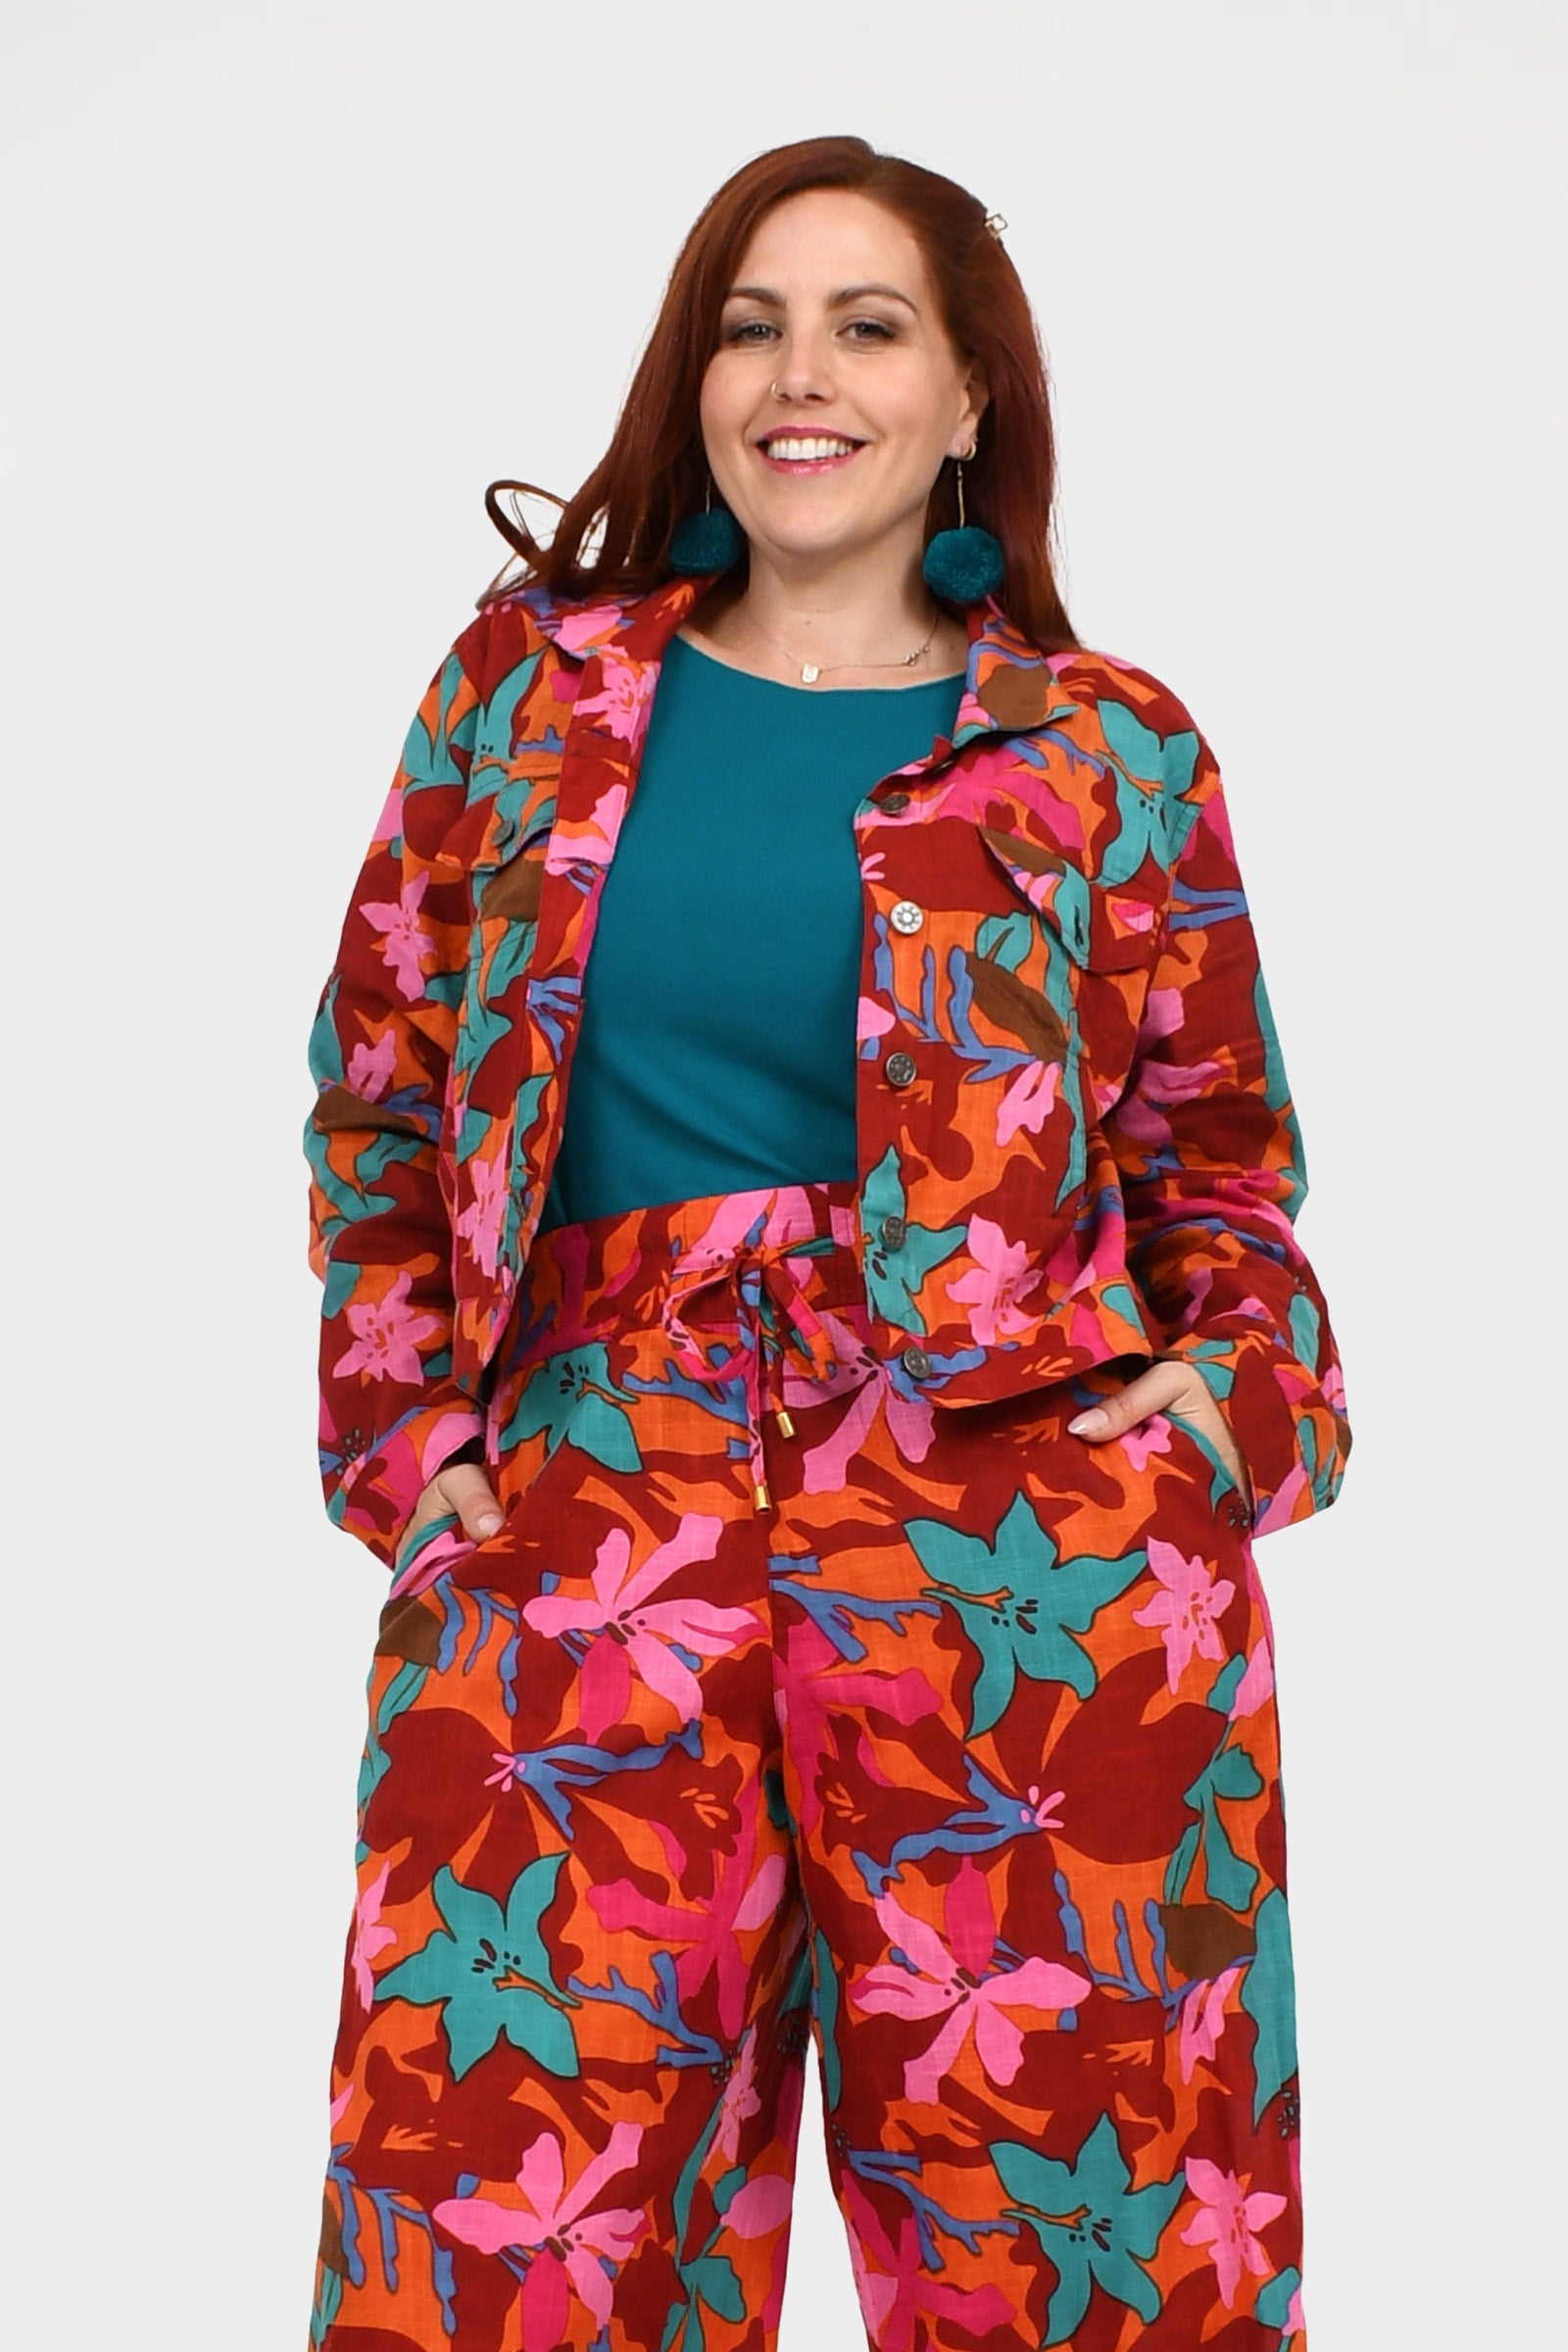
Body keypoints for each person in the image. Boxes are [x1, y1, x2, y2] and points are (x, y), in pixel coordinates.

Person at [303, 134, 1348, 2352]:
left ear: (968, 397)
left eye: (868, 328)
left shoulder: (1106, 753)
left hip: (1030, 1580)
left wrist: (1225, 1423)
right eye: (752, 326)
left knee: (1086, 2274)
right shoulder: (522, 701)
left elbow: (1222, 1171)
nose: (802, 376)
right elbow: (382, 1091)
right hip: (581, 1553)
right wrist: (411, 1453)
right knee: (505, 2257)